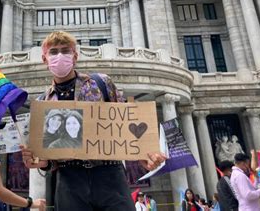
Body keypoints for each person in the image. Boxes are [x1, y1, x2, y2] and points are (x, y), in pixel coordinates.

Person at [20, 31, 166, 211]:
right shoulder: (43, 103)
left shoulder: (101, 83)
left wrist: (143, 152)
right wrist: (41, 162)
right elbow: (51, 157)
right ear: (44, 59)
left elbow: (126, 120)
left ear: (75, 56)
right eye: (54, 52)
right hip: (69, 182)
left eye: (65, 51)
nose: (60, 56)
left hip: (109, 175)